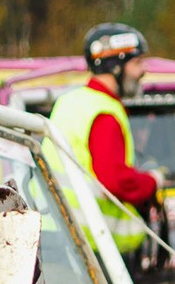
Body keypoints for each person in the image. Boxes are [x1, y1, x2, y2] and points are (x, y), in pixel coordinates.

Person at [46, 23, 161, 257]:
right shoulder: (104, 113)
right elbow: (115, 180)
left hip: (57, 234)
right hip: (90, 247)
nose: (144, 70)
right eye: (137, 62)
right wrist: (152, 182)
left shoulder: (70, 101)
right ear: (116, 67)